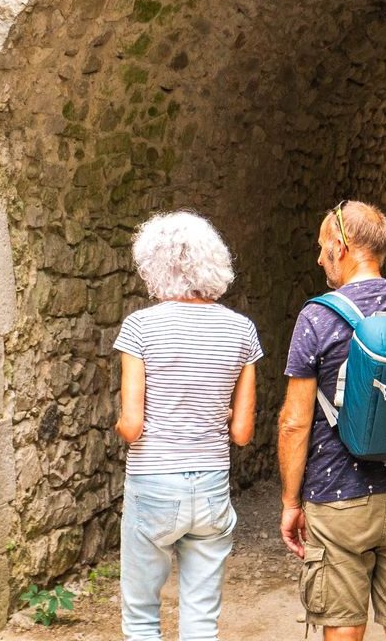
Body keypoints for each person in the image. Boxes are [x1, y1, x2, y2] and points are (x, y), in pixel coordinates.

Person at [278, 200, 386, 640]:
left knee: (341, 627)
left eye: (323, 247)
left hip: (338, 499)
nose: (319, 258)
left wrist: (290, 502)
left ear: (341, 246)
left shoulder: (317, 317)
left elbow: (294, 423)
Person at [112, 210, 263, 641]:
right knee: (201, 619)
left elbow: (133, 424)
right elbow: (242, 433)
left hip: (154, 481)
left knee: (142, 617)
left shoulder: (140, 327)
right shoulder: (241, 331)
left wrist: (120, 425)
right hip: (212, 485)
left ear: (154, 266)